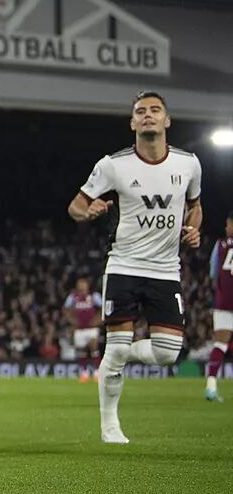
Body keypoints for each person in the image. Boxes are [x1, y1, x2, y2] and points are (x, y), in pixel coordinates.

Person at [67, 91, 202, 443]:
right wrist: (88, 212)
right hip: (123, 265)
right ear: (132, 123)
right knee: (116, 346)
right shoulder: (113, 165)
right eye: (140, 111)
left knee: (167, 354)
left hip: (165, 269)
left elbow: (195, 206)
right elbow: (75, 206)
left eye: (155, 110)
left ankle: (118, 354)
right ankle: (109, 425)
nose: (148, 115)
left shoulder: (188, 164)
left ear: (167, 120)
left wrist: (193, 229)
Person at [205, 210, 233, 402]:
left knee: (220, 344)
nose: (225, 227)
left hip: (224, 302)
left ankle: (211, 387)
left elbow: (213, 273)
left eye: (228, 223)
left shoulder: (220, 245)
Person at [63, 275, 102, 383]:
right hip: (79, 328)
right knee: (82, 351)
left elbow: (102, 308)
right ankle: (84, 373)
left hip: (91, 328)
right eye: (80, 285)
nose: (82, 287)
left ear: (87, 286)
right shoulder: (72, 297)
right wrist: (71, 320)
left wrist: (98, 320)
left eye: (83, 285)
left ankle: (96, 372)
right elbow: (65, 309)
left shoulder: (94, 296)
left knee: (94, 347)